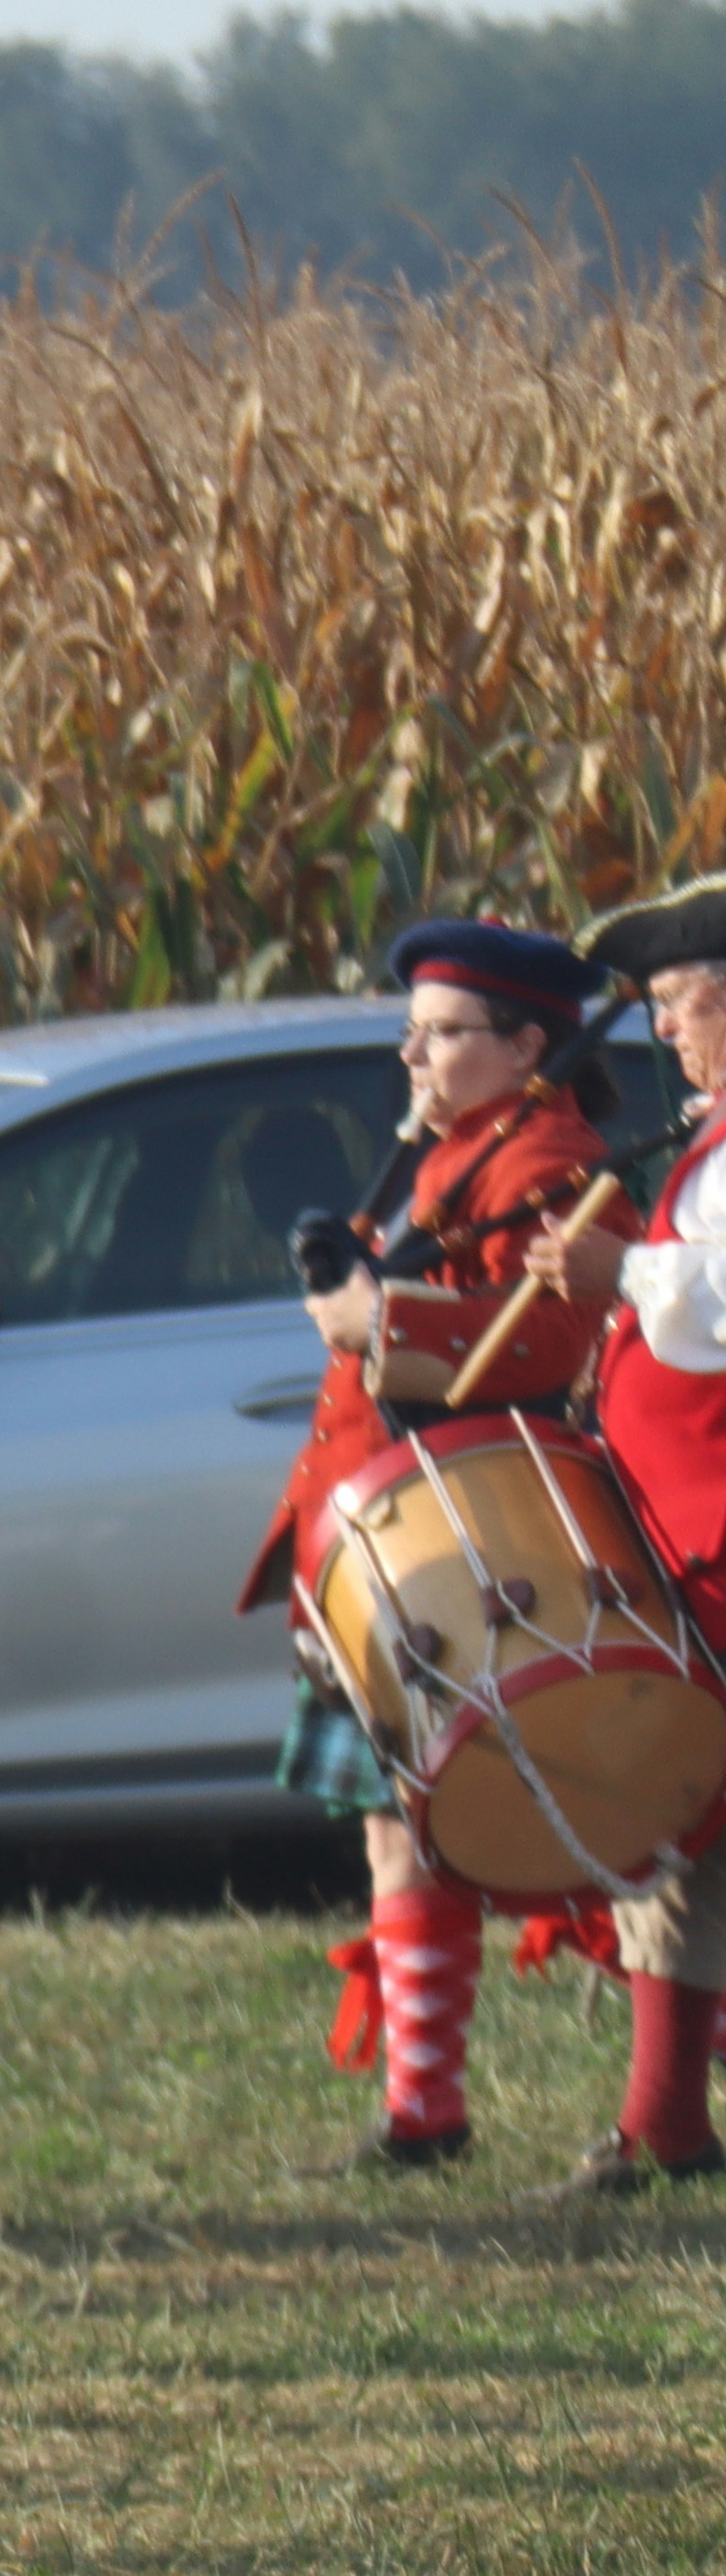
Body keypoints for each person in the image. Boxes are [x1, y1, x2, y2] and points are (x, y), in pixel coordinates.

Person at [248, 916, 630, 2169]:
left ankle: (662, 2087)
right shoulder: (452, 1152)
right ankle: (425, 2112)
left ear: (527, 1046)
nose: (412, 1050)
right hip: (381, 1531)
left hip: (469, 1540)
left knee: (600, 1828)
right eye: (412, 1029)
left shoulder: (552, 1160)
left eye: (444, 1031)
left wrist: (378, 1313)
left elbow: (544, 1345)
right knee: (396, 1825)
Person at [531, 878, 726, 2186]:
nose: (663, 1032)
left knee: (686, 1816)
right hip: (693, 1549)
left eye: (681, 1001)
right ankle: (662, 2123)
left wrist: (626, 1274)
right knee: (685, 1823)